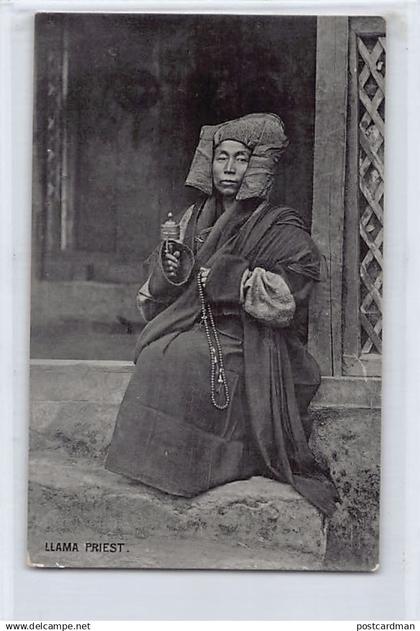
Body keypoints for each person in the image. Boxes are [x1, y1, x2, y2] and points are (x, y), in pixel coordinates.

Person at [105, 113, 338, 516]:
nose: (229, 168)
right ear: (208, 164)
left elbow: (292, 286)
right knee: (157, 352)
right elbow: (164, 289)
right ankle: (152, 465)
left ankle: (202, 467)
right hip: (195, 323)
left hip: (245, 337)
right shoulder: (194, 218)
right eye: (221, 158)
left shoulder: (277, 223)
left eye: (241, 159)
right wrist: (171, 269)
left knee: (185, 359)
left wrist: (231, 277)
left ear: (257, 167)